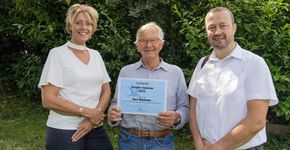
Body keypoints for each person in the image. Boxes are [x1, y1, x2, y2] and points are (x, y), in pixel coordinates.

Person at [187, 7, 279, 150]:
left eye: (223, 26)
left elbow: (256, 121)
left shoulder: (254, 64)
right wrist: (199, 144)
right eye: (211, 27)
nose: (217, 32)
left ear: (234, 28)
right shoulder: (202, 64)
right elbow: (193, 110)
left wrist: (217, 148)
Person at [38, 4, 113, 150]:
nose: (83, 27)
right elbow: (48, 100)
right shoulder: (58, 54)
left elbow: (106, 90)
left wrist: (92, 119)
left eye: (89, 23)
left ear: (93, 28)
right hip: (64, 129)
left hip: (94, 127)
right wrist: (86, 112)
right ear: (70, 26)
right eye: (78, 22)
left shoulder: (96, 55)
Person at [107, 22, 189, 150]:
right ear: (137, 45)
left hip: (162, 141)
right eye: (143, 41)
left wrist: (177, 117)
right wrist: (113, 114)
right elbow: (116, 103)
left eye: (153, 40)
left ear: (161, 44)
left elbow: (184, 107)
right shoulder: (126, 72)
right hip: (129, 140)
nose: (148, 45)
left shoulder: (175, 72)